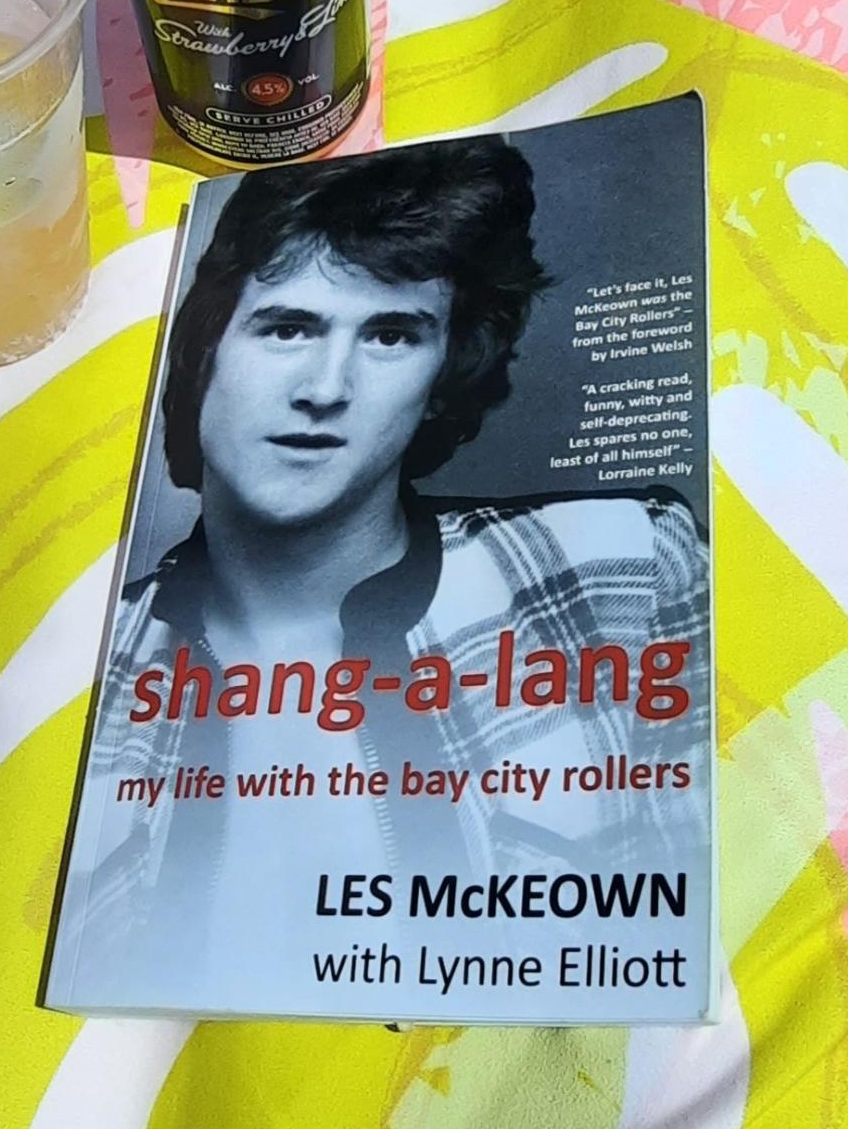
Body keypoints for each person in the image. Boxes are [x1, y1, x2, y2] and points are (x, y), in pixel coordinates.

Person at [76, 138, 708, 969]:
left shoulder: (622, 567)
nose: (324, 388)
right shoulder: (97, 654)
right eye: (287, 327)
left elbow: (701, 935)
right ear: (205, 351)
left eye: (390, 337)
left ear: (443, 375)